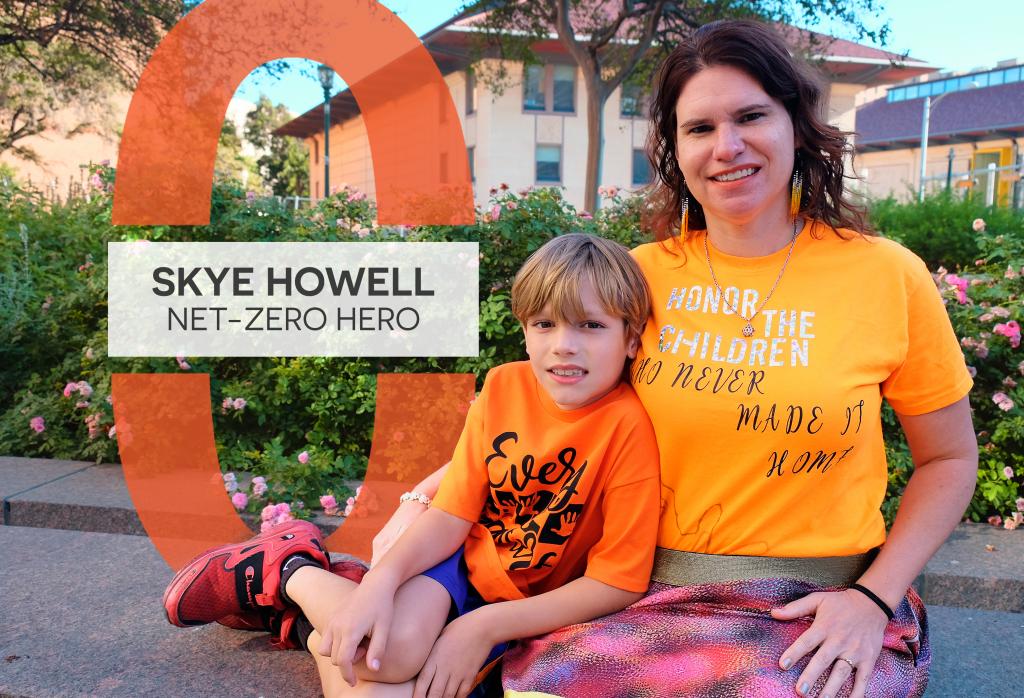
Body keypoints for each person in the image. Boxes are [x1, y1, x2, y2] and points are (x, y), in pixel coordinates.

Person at [372, 20, 978, 698]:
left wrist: (872, 598)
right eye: (699, 128)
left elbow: (949, 460)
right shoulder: (638, 277)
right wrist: (422, 501)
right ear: (674, 150)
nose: (728, 147)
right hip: (635, 595)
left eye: (751, 116)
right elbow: (545, 410)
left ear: (797, 126)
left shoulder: (887, 277)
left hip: (816, 599)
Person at [162, 233, 662, 698]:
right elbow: (452, 515)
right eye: (544, 324)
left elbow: (616, 582)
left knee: (377, 681)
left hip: (525, 603)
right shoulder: (505, 387)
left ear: (632, 339)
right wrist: (381, 582)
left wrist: (483, 625)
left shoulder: (628, 429)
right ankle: (291, 569)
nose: (563, 346)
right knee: (389, 655)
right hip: (458, 566)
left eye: (591, 325)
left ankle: (308, 616)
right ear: (525, 331)